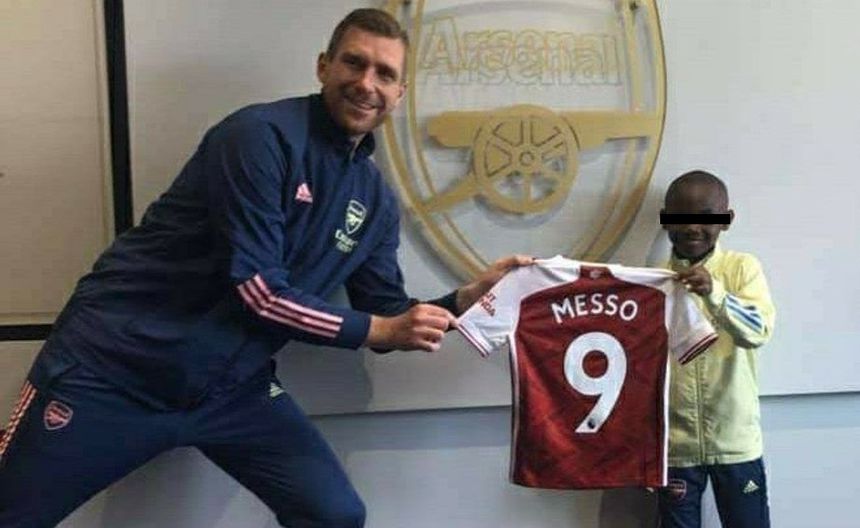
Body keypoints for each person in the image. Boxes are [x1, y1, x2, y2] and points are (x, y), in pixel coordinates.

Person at [0, 9, 530, 527]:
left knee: (334, 514)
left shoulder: (375, 198)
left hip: (230, 391)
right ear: (324, 66)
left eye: (384, 74)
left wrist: (465, 299)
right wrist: (380, 329)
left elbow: (387, 315)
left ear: (400, 93)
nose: (366, 84)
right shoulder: (258, 136)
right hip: (113, 370)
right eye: (354, 63)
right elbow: (258, 292)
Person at [657, 170, 776, 527]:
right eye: (681, 217)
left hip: (735, 442)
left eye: (706, 217)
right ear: (665, 220)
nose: (693, 227)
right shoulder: (654, 281)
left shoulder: (742, 269)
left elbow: (758, 330)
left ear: (726, 220)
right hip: (674, 447)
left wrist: (715, 294)